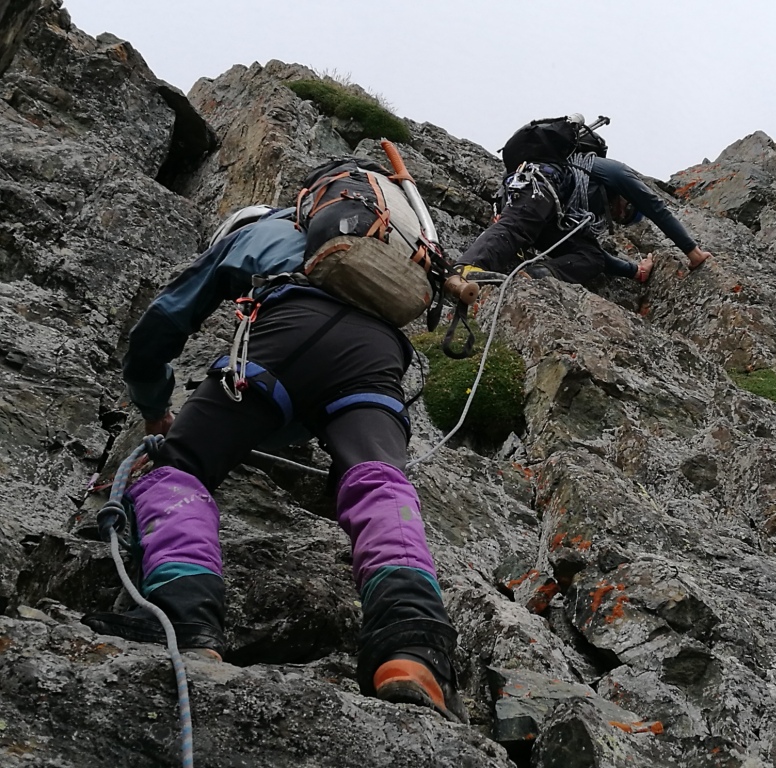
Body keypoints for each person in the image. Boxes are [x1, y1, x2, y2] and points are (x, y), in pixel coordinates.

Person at [82, 187, 468, 722]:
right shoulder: (385, 241)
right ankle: (412, 647)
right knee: (378, 479)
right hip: (377, 353)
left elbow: (164, 322)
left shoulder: (254, 235)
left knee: (177, 470)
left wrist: (154, 409)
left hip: (288, 329)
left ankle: (183, 616)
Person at [456, 143, 712, 285]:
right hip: (540, 184)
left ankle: (536, 275)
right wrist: (693, 252)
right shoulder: (614, 172)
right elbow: (655, 207)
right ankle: (467, 268)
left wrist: (635, 271)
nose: (618, 215)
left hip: (552, 216)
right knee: (517, 227)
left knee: (590, 257)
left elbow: (599, 254)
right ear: (626, 200)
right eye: (625, 212)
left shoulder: (583, 209)